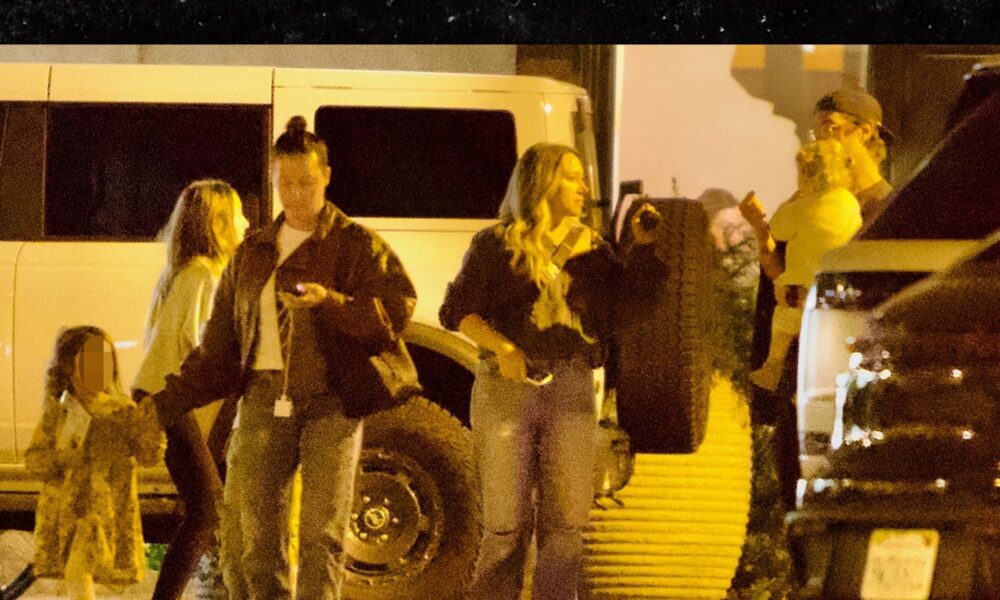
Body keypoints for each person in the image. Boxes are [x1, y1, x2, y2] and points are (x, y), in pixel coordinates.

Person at [146, 115, 419, 600]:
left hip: (332, 405)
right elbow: (216, 351)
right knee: (256, 537)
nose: (295, 194)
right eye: (285, 183)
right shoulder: (252, 253)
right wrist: (160, 406)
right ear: (273, 180)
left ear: (326, 177)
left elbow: (394, 313)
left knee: (321, 535)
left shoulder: (356, 244)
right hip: (263, 400)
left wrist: (331, 303)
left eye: (306, 183)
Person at [439, 142, 663, 599]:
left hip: (572, 384)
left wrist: (643, 249)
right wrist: (502, 347)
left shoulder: (595, 250)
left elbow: (626, 311)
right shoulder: (496, 244)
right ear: (542, 182)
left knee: (566, 525)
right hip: (507, 386)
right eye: (572, 177)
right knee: (504, 525)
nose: (583, 187)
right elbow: (456, 310)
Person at [739, 82, 894, 511]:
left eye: (830, 126)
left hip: (851, 376)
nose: (819, 138)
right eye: (817, 129)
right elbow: (777, 281)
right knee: (796, 490)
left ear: (865, 132)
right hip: (799, 369)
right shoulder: (808, 202)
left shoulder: (886, 210)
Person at [131, 179, 249, 600]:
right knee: (206, 508)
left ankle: (211, 587)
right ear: (218, 223)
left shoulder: (181, 272)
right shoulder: (204, 274)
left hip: (164, 395)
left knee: (204, 505)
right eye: (238, 215)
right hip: (170, 398)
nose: (246, 223)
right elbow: (205, 348)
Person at [25, 326, 165, 600]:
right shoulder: (60, 412)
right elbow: (35, 458)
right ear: (69, 366)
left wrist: (152, 424)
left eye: (106, 360)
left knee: (80, 579)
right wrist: (63, 458)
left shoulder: (122, 412)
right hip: (68, 514)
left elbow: (149, 455)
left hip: (105, 513)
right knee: (79, 578)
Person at [745, 139, 861, 391]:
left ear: (807, 176)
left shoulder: (801, 208)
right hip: (837, 291)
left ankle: (772, 367)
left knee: (782, 323)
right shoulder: (849, 202)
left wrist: (792, 201)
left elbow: (776, 229)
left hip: (798, 291)